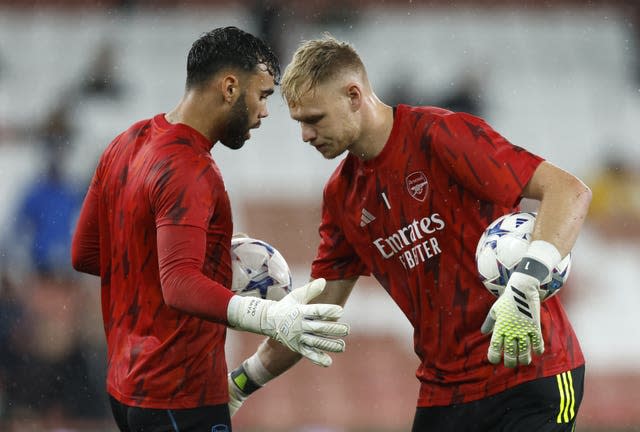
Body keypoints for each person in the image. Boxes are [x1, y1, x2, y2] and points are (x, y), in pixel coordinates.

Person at [228, 34, 592, 432]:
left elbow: (568, 191)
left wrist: (524, 283)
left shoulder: (440, 135)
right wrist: (241, 383)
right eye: (300, 123)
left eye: (315, 119)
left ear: (354, 96)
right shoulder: (342, 195)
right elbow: (315, 312)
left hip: (529, 371)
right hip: (445, 392)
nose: (306, 136)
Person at [71, 27, 349, 432]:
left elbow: (87, 254)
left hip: (126, 390)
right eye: (263, 94)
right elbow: (180, 284)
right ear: (230, 87)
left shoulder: (126, 143)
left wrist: (185, 248)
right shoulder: (192, 169)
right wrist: (269, 316)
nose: (265, 111)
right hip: (181, 395)